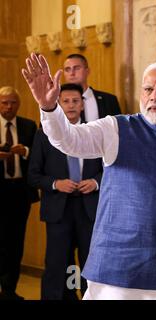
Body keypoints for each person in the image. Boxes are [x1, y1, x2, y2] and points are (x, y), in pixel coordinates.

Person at [22, 53, 156, 300]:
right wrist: (49, 108)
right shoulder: (114, 128)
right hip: (120, 272)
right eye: (148, 89)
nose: (154, 96)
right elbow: (68, 139)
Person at [28, 83, 103, 300]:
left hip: (90, 209)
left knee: (92, 264)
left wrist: (96, 182)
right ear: (58, 104)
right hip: (58, 209)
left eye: (75, 101)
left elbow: (111, 170)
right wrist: (55, 183)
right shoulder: (44, 135)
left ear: (83, 105)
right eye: (65, 101)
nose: (70, 105)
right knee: (57, 264)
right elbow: (33, 175)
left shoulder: (96, 131)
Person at [0, 86, 39, 300]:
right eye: (4, 102)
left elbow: (39, 157)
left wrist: (24, 151)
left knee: (15, 242)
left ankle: (8, 290)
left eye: (13, 102)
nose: (8, 106)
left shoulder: (28, 126)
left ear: (19, 104)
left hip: (19, 193)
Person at [63, 54, 121, 121]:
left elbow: (119, 128)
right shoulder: (56, 103)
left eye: (77, 68)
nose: (72, 73)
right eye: (67, 69)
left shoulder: (109, 100)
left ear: (87, 71)